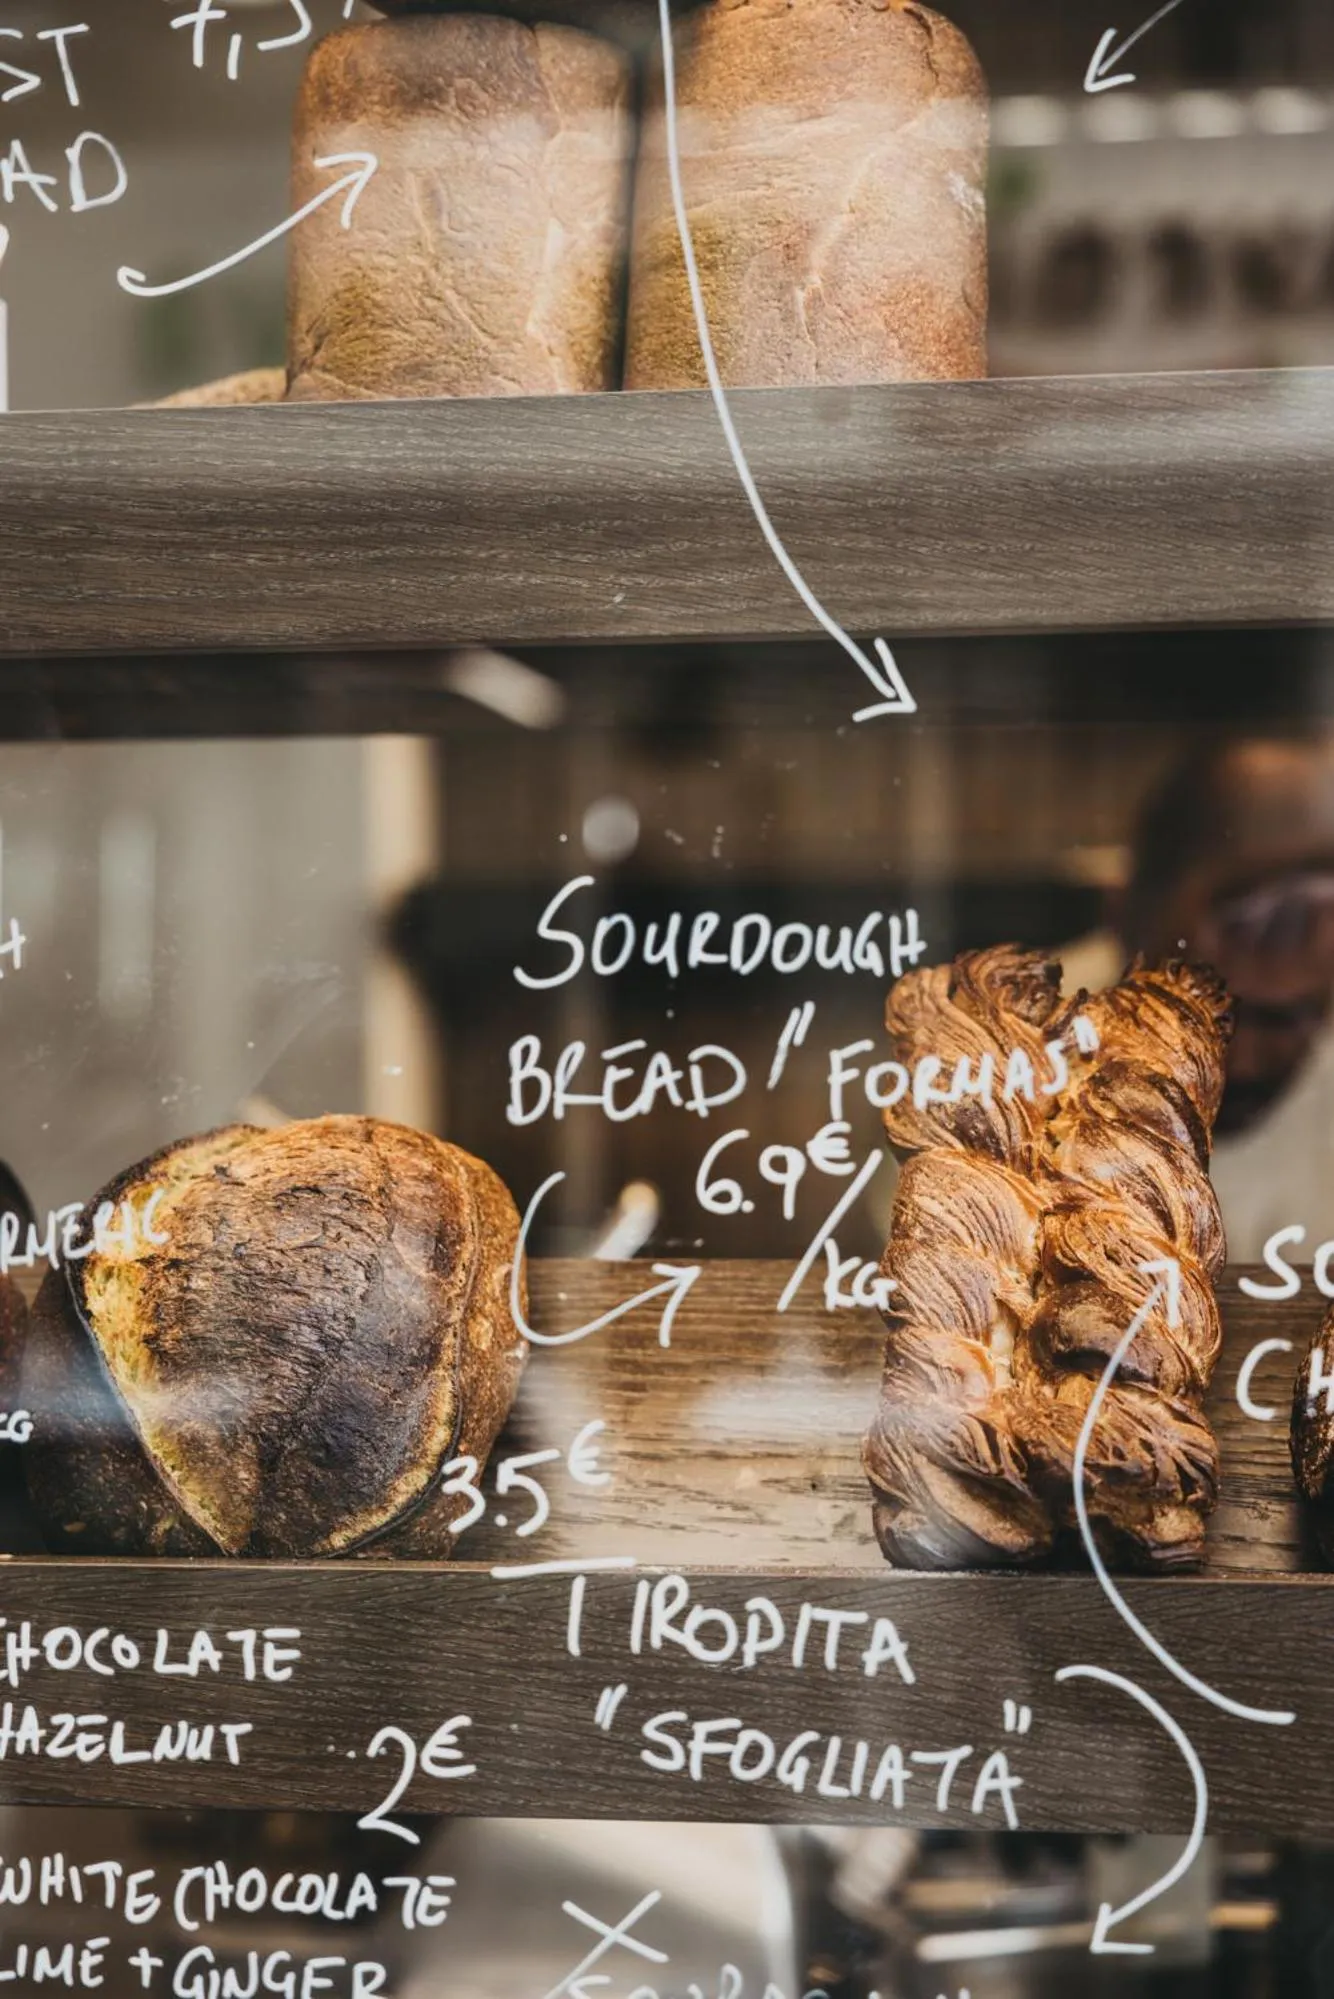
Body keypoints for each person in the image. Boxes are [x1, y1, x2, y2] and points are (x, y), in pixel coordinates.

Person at [1063, 732, 1334, 1263]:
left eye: (1285, 1019)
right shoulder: (1004, 1048)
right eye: (1207, 1019)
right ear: (1122, 917)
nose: (1245, 1060)